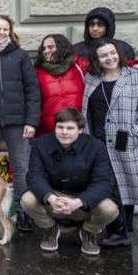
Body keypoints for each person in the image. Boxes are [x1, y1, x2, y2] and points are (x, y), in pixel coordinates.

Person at [82, 38, 138, 246]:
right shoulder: (91, 78)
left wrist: (136, 134)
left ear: (119, 53)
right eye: (103, 55)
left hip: (127, 142)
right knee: (110, 186)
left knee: (125, 185)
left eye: (112, 53)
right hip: (98, 142)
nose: (109, 58)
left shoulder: (136, 77)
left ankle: (121, 231)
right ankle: (119, 230)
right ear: (97, 59)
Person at [21, 108, 119, 256]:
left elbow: (104, 182)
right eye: (60, 127)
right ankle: (50, 229)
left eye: (70, 128)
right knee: (27, 200)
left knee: (110, 209)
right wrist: (51, 198)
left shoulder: (96, 147)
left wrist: (79, 202)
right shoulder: (40, 144)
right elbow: (35, 176)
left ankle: (89, 232)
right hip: (54, 200)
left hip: (83, 201)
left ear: (80, 130)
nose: (64, 132)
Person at [0, 15, 40, 232]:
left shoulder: (20, 56)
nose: (1, 32)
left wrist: (31, 120)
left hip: (17, 119)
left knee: (20, 166)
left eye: (5, 29)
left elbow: (32, 90)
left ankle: (22, 213)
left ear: (10, 32)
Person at [33, 34, 90, 137]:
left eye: (50, 47)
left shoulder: (79, 65)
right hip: (47, 133)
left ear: (61, 47)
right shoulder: (37, 72)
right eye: (44, 48)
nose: (46, 51)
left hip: (77, 130)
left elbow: (102, 69)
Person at [73, 7, 138, 73]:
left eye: (100, 25)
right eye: (91, 24)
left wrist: (134, 65)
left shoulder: (124, 48)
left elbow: (128, 74)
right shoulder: (76, 50)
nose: (95, 28)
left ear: (108, 28)